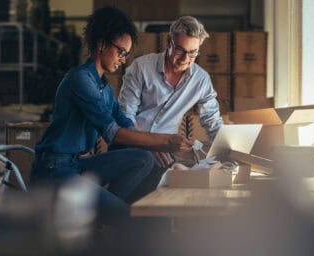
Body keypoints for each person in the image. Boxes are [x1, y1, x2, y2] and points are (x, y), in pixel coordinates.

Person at [30, 7, 193, 224]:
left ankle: (98, 219)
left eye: (126, 54)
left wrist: (155, 147)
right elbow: (113, 134)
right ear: (102, 45)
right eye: (121, 52)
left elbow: (124, 122)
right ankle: (107, 217)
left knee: (143, 158)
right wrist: (164, 141)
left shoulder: (103, 87)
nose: (123, 60)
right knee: (124, 215)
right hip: (54, 170)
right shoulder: (80, 80)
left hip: (77, 166)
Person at [118, 16, 223, 199]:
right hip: (130, 146)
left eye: (193, 53)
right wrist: (150, 145)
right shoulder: (141, 68)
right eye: (180, 50)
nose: (185, 59)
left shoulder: (201, 80)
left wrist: (228, 149)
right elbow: (125, 116)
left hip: (165, 152)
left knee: (168, 198)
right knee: (136, 200)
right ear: (168, 42)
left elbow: (212, 122)